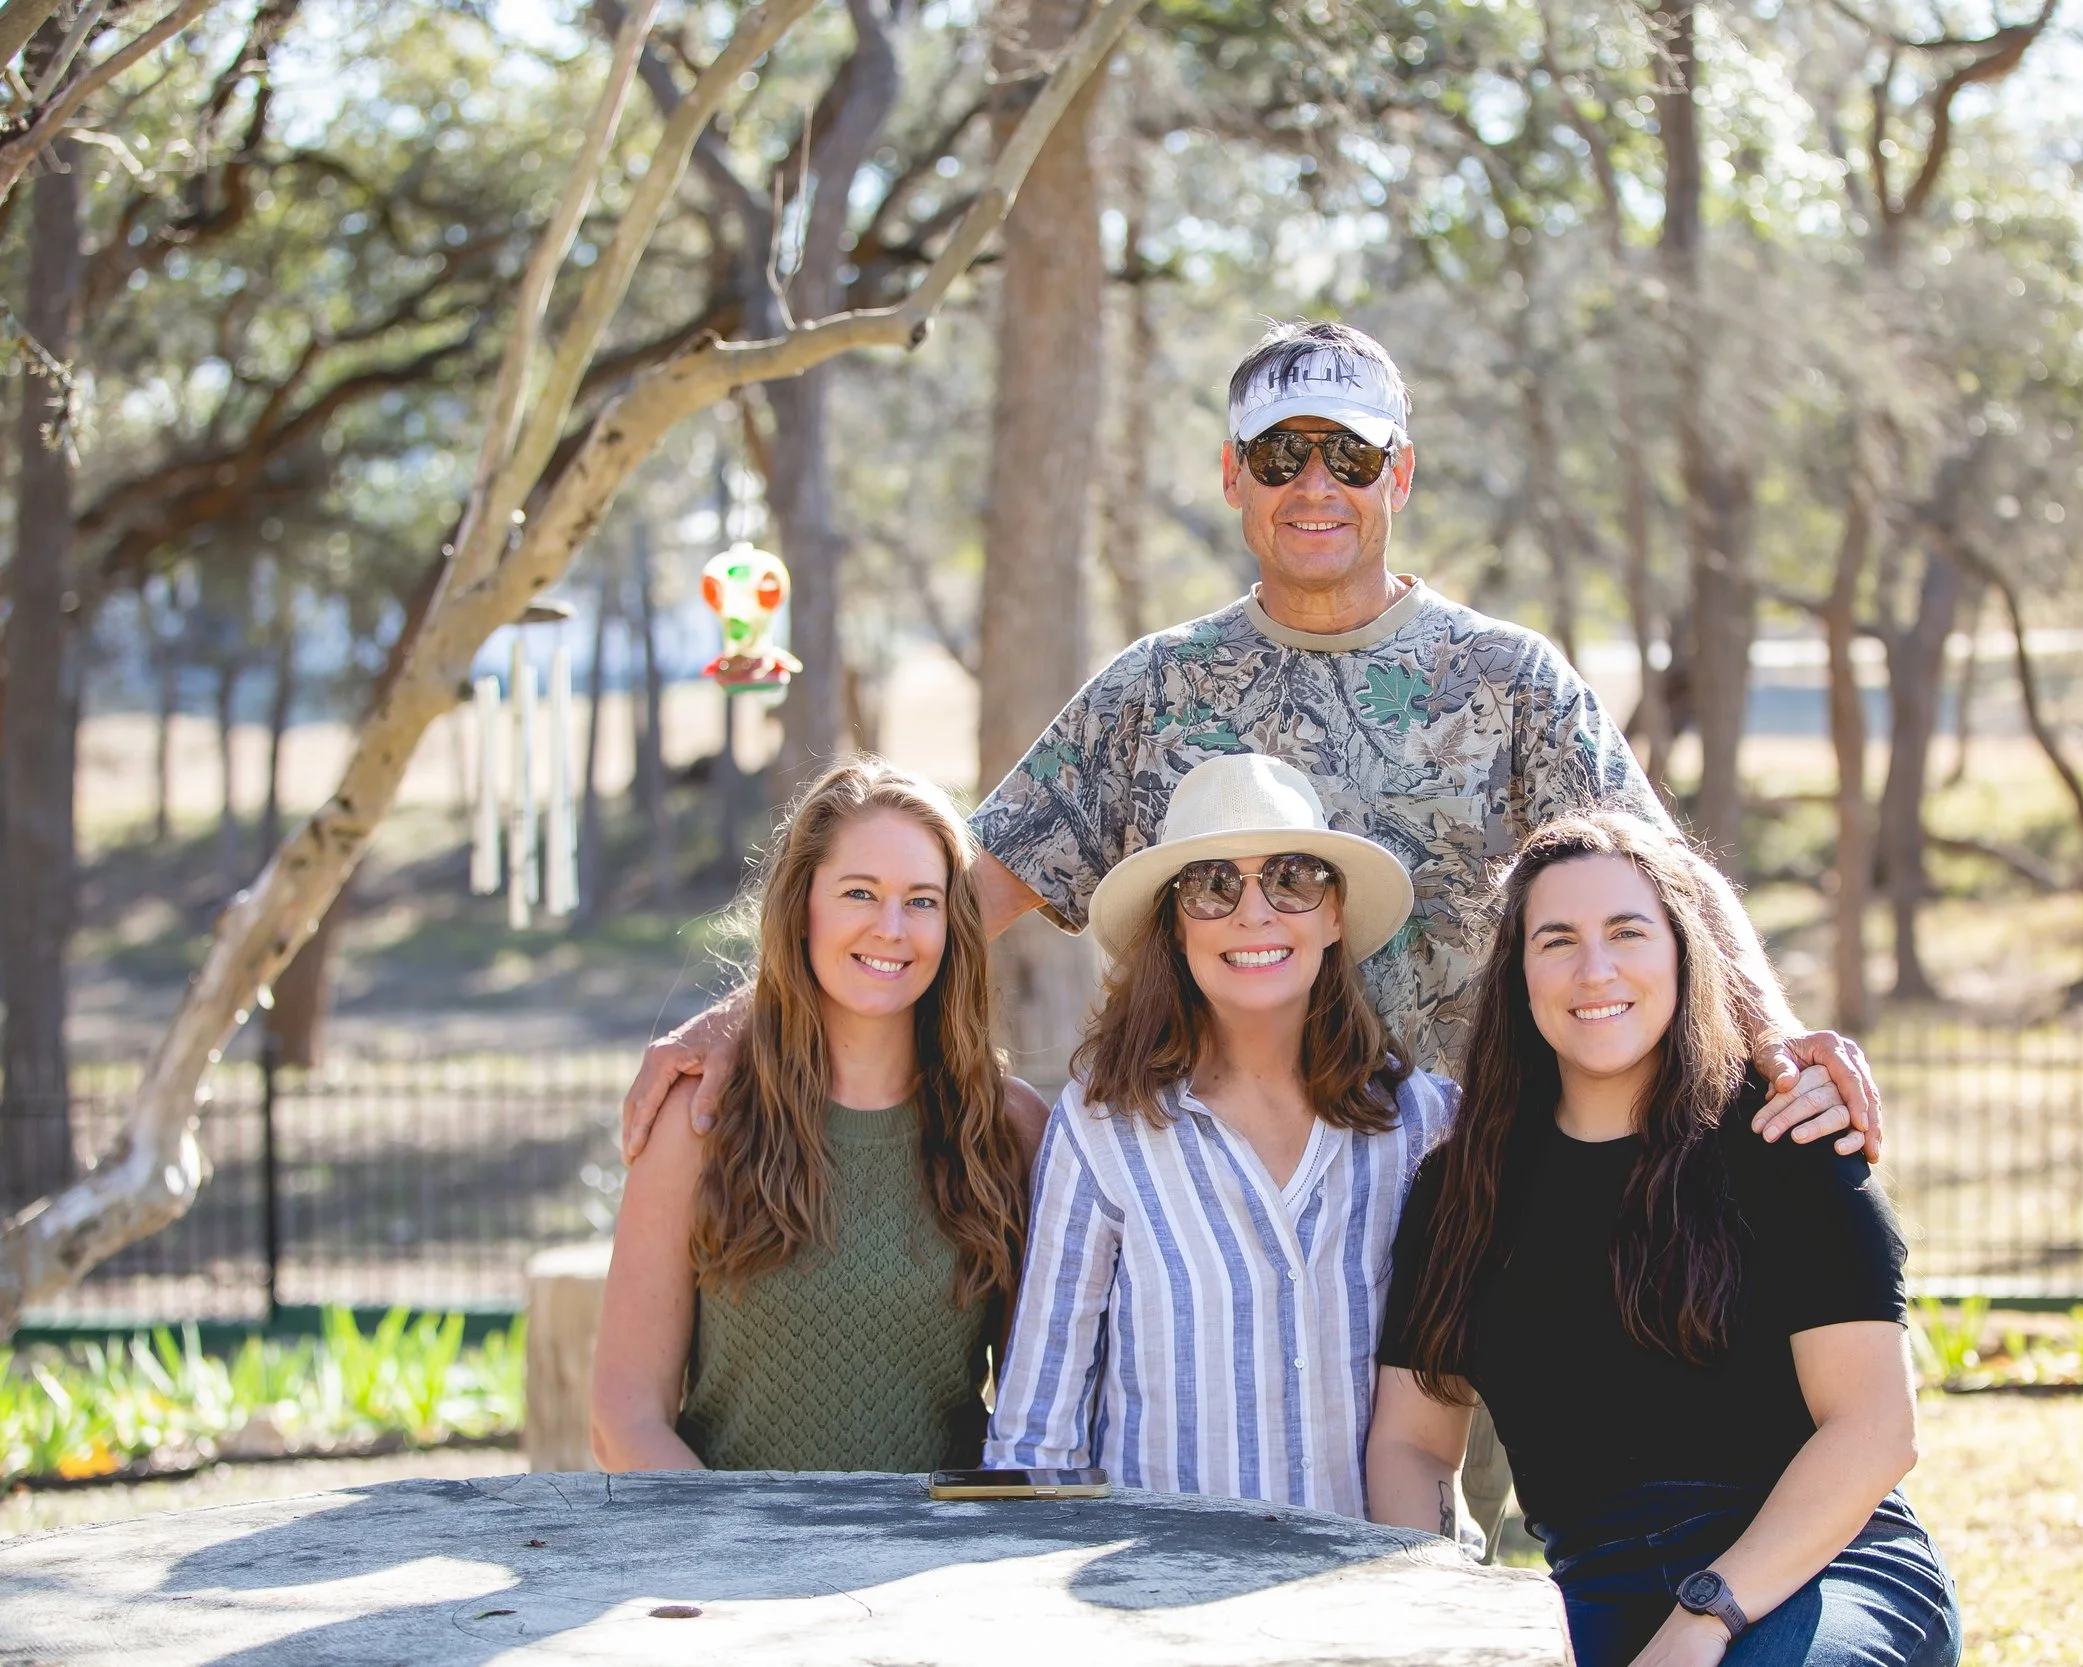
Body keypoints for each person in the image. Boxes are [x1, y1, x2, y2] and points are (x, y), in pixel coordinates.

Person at [620, 318, 1884, 1529]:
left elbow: (1654, 881)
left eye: (1350, 452)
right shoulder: (1158, 689)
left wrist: (1778, 1043)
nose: (1315, 482)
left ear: (1402, 472)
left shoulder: (1508, 680)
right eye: (1281, 455)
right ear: (1233, 475)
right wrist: (746, 1014)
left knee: (1472, 1548)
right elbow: (954, 892)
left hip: (1465, 1196)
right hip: (1208, 1194)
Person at [1366, 813, 1957, 1667]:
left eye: (1627, 932)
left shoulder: (1787, 1142)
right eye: (1557, 940)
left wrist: (1705, 1616)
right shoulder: (1461, 1191)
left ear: (1683, 954)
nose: (1594, 968)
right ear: (1519, 976)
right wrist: (1434, 1614)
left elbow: (1874, 1427)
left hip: (1818, 1565)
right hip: (1593, 1587)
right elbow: (1412, 1441)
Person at [985, 754, 1454, 1518]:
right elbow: (1038, 1439)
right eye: (1213, 884)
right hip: (1159, 1601)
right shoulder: (1102, 1128)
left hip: (1368, 1607)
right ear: (1173, 926)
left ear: (1334, 913)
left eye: (1293, 877)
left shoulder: (1423, 1125)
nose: (1255, 912)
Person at [589, 759, 1048, 1473]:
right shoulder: (699, 1118)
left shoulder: (1010, 1130)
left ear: (953, 924)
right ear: (803, 908)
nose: (890, 928)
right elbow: (624, 1419)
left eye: (921, 901)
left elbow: (1035, 1423)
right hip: (724, 1565)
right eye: (859, 892)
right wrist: (738, 1561)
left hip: (933, 1568)